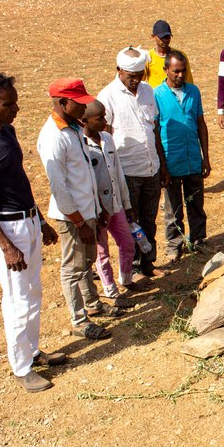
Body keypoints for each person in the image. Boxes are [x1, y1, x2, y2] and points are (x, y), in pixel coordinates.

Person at [0, 73, 64, 392]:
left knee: (33, 292)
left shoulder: (7, 130)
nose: (16, 108)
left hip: (28, 221)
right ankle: (21, 367)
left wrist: (40, 220)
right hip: (7, 228)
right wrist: (5, 245)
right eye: (9, 104)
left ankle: (32, 352)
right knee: (17, 298)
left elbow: (19, 179)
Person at [38, 78, 121, 342]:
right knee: (73, 269)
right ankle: (79, 320)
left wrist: (96, 209)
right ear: (63, 103)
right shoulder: (53, 136)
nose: (84, 109)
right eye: (79, 103)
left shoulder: (73, 128)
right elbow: (60, 187)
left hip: (88, 212)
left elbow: (84, 172)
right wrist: (79, 222)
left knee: (86, 263)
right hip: (72, 217)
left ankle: (93, 304)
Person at [97, 47, 169, 278]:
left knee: (149, 221)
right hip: (126, 172)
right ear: (119, 71)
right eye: (131, 76)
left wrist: (163, 165)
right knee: (132, 223)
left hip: (152, 168)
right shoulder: (107, 97)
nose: (136, 80)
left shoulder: (148, 92)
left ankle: (148, 263)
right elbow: (103, 139)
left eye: (140, 75)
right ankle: (134, 268)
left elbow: (154, 130)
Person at [154, 50, 211, 260]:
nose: (180, 75)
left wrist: (205, 157)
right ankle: (174, 245)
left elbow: (201, 124)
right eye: (176, 71)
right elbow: (156, 133)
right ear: (166, 70)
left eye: (183, 71)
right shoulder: (156, 95)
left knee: (196, 203)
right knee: (173, 207)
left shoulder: (193, 92)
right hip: (171, 160)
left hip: (193, 159)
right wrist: (162, 166)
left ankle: (198, 239)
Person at [82, 101, 136, 301]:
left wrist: (126, 203)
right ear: (84, 121)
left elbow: (118, 173)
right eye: (100, 119)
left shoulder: (107, 139)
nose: (105, 122)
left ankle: (127, 279)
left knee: (128, 243)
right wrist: (96, 210)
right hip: (98, 210)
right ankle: (111, 290)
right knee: (102, 253)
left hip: (116, 205)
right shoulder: (82, 145)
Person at [143, 20, 193, 88]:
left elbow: (188, 80)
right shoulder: (148, 57)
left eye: (167, 37)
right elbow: (141, 81)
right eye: (161, 38)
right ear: (153, 36)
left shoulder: (179, 56)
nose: (165, 40)